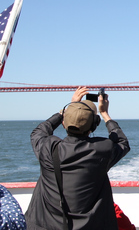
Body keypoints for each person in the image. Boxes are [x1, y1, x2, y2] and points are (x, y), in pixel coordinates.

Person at [25, 87, 130, 230]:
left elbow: (39, 131)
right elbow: (122, 142)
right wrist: (105, 114)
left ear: (64, 123)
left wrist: (69, 107)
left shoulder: (48, 148)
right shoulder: (103, 149)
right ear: (93, 126)